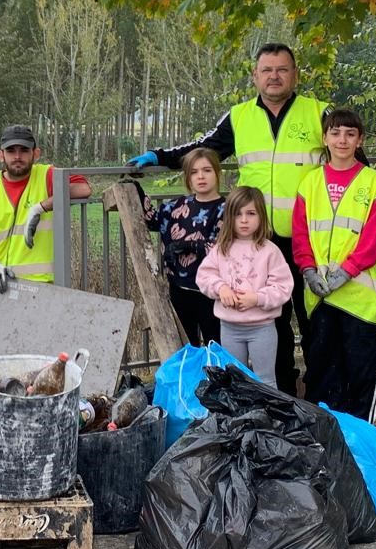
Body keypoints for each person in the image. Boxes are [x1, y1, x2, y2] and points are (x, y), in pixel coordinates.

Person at [128, 43, 329, 395]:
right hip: (257, 238)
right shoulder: (240, 116)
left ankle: (319, 394)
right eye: (266, 70)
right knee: (274, 322)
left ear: (295, 74)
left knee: (314, 320)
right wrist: (159, 155)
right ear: (255, 76)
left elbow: (351, 164)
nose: (274, 76)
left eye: (282, 69)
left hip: (308, 236)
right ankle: (280, 394)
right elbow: (204, 149)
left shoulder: (319, 114)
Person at [291, 108, 376, 421]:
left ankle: (362, 434)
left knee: (360, 368)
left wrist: (346, 271)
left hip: (358, 298)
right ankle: (326, 430)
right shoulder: (310, 183)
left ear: (360, 139)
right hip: (319, 296)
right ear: (325, 138)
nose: (342, 140)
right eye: (335, 133)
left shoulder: (373, 182)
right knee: (320, 367)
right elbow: (301, 234)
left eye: (349, 133)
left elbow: (372, 240)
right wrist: (307, 270)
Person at [0, 125, 91, 303]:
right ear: (0, 155)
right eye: (11, 150)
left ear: (36, 153)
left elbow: (83, 189)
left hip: (38, 292)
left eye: (24, 150)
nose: (17, 156)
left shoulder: (47, 176)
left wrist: (40, 207)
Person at [194, 187, 292, 387]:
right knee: (234, 379)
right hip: (229, 327)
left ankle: (266, 416)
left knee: (265, 379)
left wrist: (257, 298)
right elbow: (204, 275)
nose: (244, 220)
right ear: (229, 218)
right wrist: (221, 288)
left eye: (251, 213)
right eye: (238, 214)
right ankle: (240, 417)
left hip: (262, 328)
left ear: (261, 216)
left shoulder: (270, 251)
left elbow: (283, 286)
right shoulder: (221, 248)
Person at [143, 148, 226, 345]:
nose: (201, 177)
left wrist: (189, 245)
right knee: (186, 345)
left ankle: (216, 375)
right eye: (194, 172)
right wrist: (136, 190)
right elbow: (152, 220)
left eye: (207, 170)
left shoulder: (227, 209)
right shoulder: (176, 206)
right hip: (179, 288)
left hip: (211, 292)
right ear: (188, 178)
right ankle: (190, 377)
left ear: (217, 173)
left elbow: (224, 246)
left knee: (215, 344)